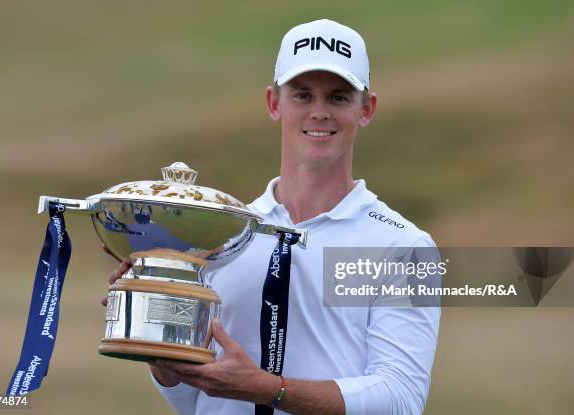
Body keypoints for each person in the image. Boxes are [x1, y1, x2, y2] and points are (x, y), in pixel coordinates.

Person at [105, 19, 440, 415]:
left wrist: (270, 390)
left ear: (366, 109)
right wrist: (163, 357)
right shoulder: (221, 234)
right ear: (274, 103)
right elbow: (191, 401)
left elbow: (401, 398)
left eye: (337, 98)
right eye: (302, 95)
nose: (319, 112)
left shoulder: (406, 247)